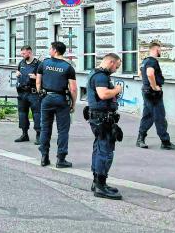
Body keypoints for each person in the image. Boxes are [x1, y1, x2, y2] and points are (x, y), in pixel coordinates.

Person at [86, 53, 124, 200]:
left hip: (99, 118)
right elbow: (103, 94)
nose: (116, 69)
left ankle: (97, 182)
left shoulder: (95, 73)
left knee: (99, 148)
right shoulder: (101, 76)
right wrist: (117, 90)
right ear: (111, 62)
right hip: (102, 119)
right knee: (106, 151)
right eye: (117, 66)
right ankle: (101, 186)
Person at [36, 41, 78, 168]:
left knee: (45, 128)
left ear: (55, 50)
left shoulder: (44, 63)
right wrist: (73, 103)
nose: (49, 50)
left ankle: (44, 157)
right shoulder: (68, 67)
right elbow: (73, 89)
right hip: (61, 99)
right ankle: (61, 159)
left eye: (50, 48)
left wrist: (41, 94)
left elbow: (38, 82)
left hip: (46, 98)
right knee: (63, 130)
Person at [136, 42, 175, 150]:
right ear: (156, 50)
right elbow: (150, 73)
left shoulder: (145, 61)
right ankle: (165, 142)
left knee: (148, 116)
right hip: (153, 93)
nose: (161, 51)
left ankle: (140, 139)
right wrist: (154, 86)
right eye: (160, 50)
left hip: (146, 92)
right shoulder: (152, 61)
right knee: (159, 117)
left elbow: (140, 73)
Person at [14, 46, 41, 145]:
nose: (22, 55)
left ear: (29, 52)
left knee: (37, 114)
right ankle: (24, 134)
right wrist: (17, 74)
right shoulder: (21, 63)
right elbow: (18, 73)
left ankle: (39, 135)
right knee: (22, 114)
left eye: (24, 54)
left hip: (34, 93)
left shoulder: (38, 64)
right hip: (22, 93)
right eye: (21, 54)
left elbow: (45, 77)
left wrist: (36, 77)